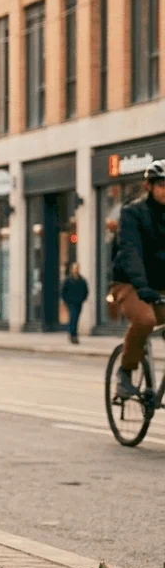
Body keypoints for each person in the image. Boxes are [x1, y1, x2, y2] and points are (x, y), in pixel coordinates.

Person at [111, 160, 165, 398]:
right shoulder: (132, 213)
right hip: (130, 282)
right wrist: (142, 286)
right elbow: (130, 252)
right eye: (162, 185)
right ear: (148, 186)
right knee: (145, 320)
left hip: (159, 284)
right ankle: (125, 372)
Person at [62, 263, 89, 345]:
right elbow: (63, 291)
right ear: (72, 269)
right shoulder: (68, 280)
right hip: (71, 302)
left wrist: (83, 299)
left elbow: (86, 290)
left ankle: (73, 334)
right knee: (73, 317)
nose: (76, 270)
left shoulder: (82, 280)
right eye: (74, 268)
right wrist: (66, 300)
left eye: (77, 268)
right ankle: (73, 335)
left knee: (76, 318)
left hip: (79, 302)